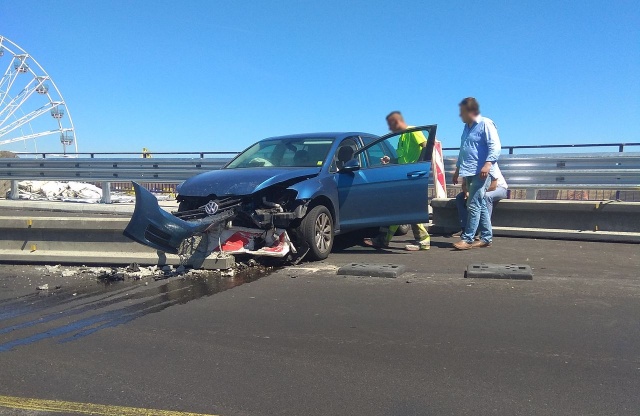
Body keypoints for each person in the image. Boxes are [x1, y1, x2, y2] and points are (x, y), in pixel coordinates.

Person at [364, 111, 431, 251]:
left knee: (407, 208)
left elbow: (426, 145)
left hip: (413, 176)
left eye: (390, 124)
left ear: (397, 121)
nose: (390, 127)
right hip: (404, 177)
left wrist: (419, 166)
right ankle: (384, 240)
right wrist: (390, 160)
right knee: (398, 208)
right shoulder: (401, 138)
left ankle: (423, 241)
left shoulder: (413, 131)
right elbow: (402, 159)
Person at [452, 97, 501, 250]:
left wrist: (487, 164)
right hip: (469, 170)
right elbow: (463, 150)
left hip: (481, 172)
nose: (460, 116)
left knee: (473, 204)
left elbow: (496, 146)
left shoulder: (485, 123)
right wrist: (457, 170)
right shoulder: (467, 127)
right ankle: (486, 237)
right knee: (480, 205)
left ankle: (468, 239)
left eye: (462, 112)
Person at [455, 163, 508, 234]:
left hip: (499, 188)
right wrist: (467, 192)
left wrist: (476, 194)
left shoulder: (490, 164)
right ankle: (465, 228)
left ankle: (482, 230)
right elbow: (464, 185)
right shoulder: (470, 165)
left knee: (486, 196)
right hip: (477, 190)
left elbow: (493, 186)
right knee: (460, 197)